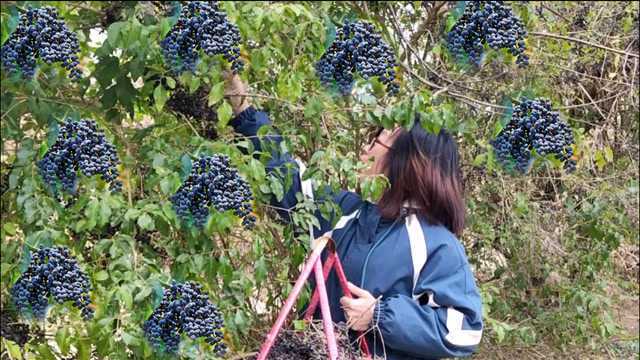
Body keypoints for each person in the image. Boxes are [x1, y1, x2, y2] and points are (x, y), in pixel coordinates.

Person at [224, 73, 483, 359]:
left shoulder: (436, 244)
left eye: (376, 140)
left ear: (406, 161)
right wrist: (243, 109)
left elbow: (465, 329)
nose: (364, 148)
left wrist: (379, 316)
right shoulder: (346, 214)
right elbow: (289, 181)